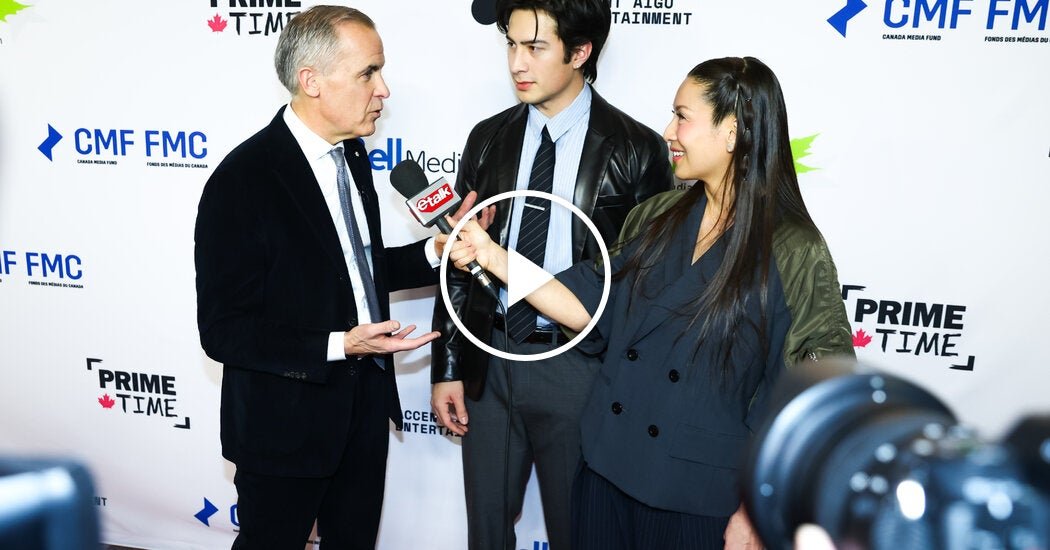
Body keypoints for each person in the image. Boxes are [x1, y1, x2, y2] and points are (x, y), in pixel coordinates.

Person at [446, 56, 855, 549]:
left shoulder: (793, 249)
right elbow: (586, 303)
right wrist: (491, 255)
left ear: (732, 131)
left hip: (699, 496)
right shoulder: (657, 216)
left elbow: (818, 396)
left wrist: (756, 507)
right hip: (605, 471)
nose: (668, 132)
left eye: (683, 117)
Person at [194, 6, 487, 549]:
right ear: (312, 82)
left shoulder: (351, 154)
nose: (384, 90)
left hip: (364, 411)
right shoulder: (243, 181)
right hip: (284, 427)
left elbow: (357, 269)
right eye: (367, 73)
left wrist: (438, 251)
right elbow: (223, 331)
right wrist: (341, 344)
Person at [429, 0, 672, 548]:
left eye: (535, 48)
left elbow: (647, 284)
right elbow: (460, 255)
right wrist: (448, 367)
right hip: (491, 359)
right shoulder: (488, 138)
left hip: (580, 366)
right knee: (486, 533)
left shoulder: (637, 150)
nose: (517, 63)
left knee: (581, 531)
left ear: (580, 51)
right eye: (511, 45)